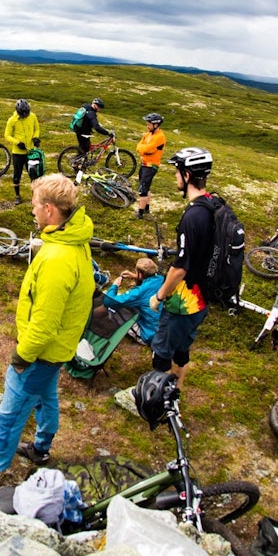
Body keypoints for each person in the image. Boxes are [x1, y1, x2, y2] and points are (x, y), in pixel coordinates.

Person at [0, 174, 95, 487]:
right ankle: (41, 448)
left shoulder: (58, 260)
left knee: (11, 412)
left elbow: (43, 325)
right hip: (58, 349)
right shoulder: (73, 240)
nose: (31, 211)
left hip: (41, 352)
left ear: (49, 209)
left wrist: (21, 356)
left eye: (34, 205)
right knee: (46, 398)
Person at [148, 147, 216, 388]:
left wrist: (160, 295)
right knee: (182, 349)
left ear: (187, 176)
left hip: (183, 301)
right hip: (202, 298)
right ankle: (175, 391)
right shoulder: (213, 205)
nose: (175, 177)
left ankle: (160, 402)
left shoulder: (193, 216)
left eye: (178, 172)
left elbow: (180, 267)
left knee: (161, 354)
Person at [98, 258, 165, 345]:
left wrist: (115, 285)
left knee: (110, 303)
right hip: (164, 328)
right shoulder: (161, 279)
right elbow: (149, 282)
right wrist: (135, 276)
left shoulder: (138, 293)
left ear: (140, 274)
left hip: (149, 334)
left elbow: (108, 301)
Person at [3, 98, 40, 204]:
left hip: (31, 152)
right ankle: (17, 196)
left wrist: (36, 137)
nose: (25, 116)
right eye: (23, 114)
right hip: (18, 153)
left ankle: (35, 197)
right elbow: (7, 135)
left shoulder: (32, 116)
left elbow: (36, 128)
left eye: (26, 113)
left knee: (34, 175)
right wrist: (17, 142)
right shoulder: (12, 120)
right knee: (17, 175)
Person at [134, 113, 166, 219]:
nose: (147, 126)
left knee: (143, 189)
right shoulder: (148, 134)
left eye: (149, 124)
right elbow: (139, 146)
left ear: (156, 125)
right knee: (146, 187)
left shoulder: (160, 137)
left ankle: (140, 213)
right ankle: (146, 207)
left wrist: (143, 149)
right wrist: (143, 149)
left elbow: (147, 149)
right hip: (144, 164)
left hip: (151, 166)